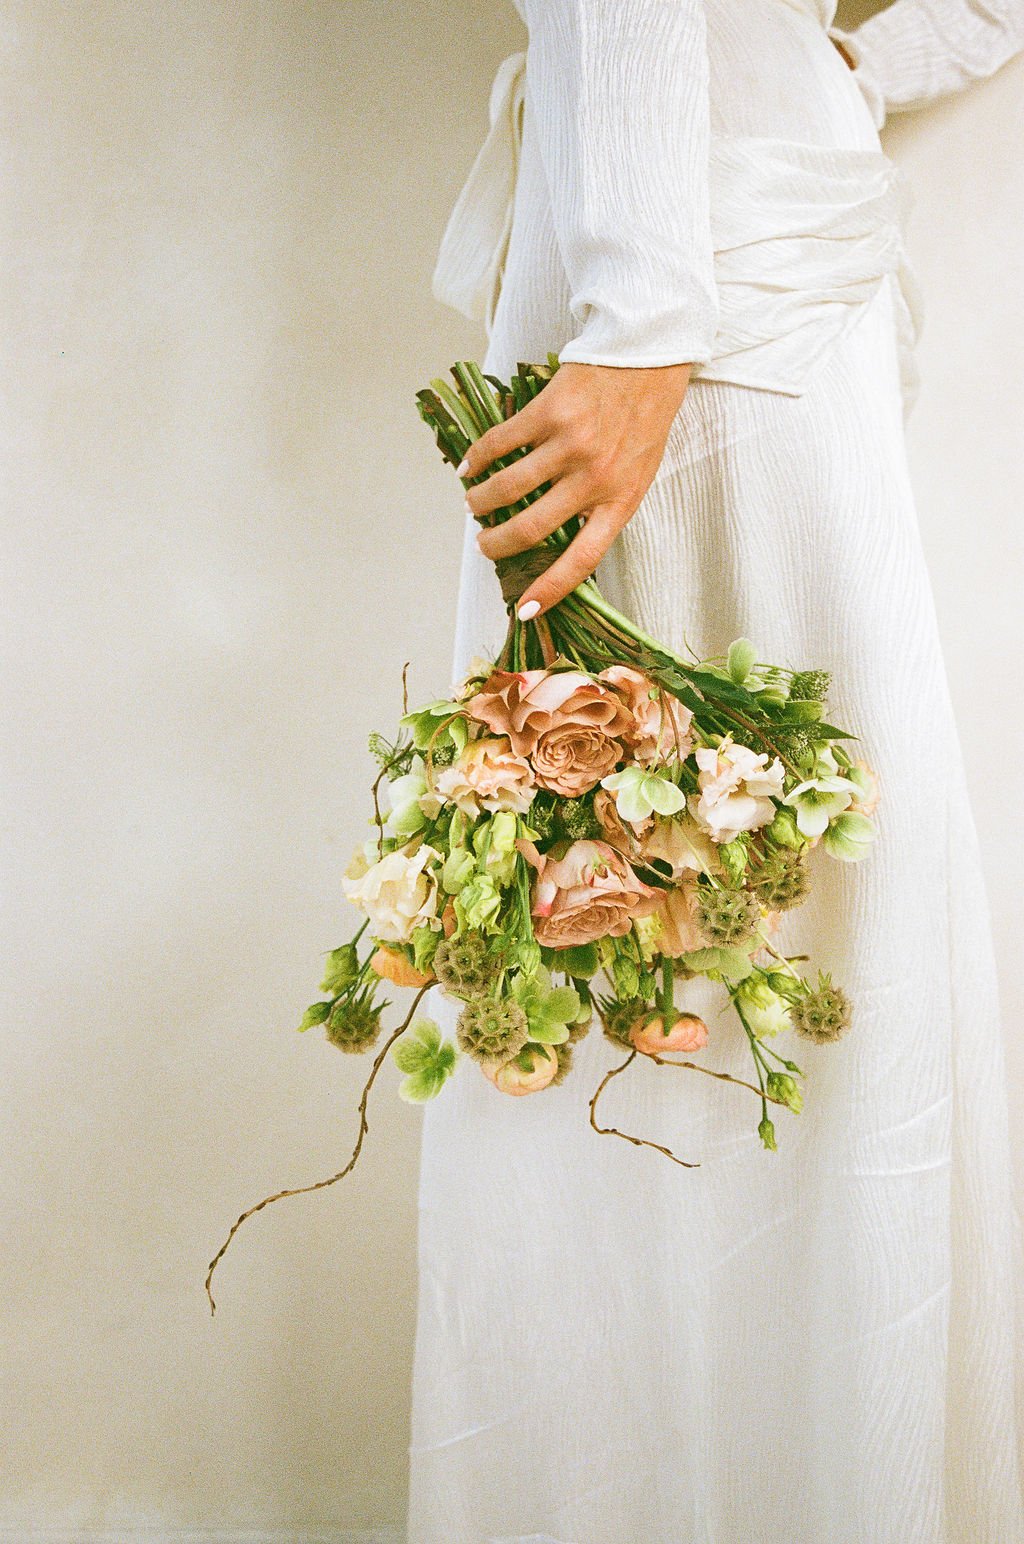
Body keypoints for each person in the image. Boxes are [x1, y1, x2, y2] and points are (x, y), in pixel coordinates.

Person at [406, 2, 1024, 1540]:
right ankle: (825, 1482)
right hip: (742, 237)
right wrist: (854, 72)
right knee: (711, 883)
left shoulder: (642, 308)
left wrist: (637, 321)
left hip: (665, 276)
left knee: (617, 888)